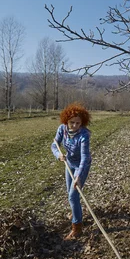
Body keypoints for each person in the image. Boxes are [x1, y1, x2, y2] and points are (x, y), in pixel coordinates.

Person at [51, 102, 92, 240]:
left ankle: (77, 227)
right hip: (68, 163)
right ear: (66, 120)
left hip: (81, 165)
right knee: (70, 193)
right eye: (72, 122)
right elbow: (54, 144)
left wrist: (78, 176)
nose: (74, 125)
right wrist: (59, 155)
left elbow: (85, 157)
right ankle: (76, 213)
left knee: (72, 195)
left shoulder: (84, 135)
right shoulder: (62, 129)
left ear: (82, 123)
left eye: (78, 123)